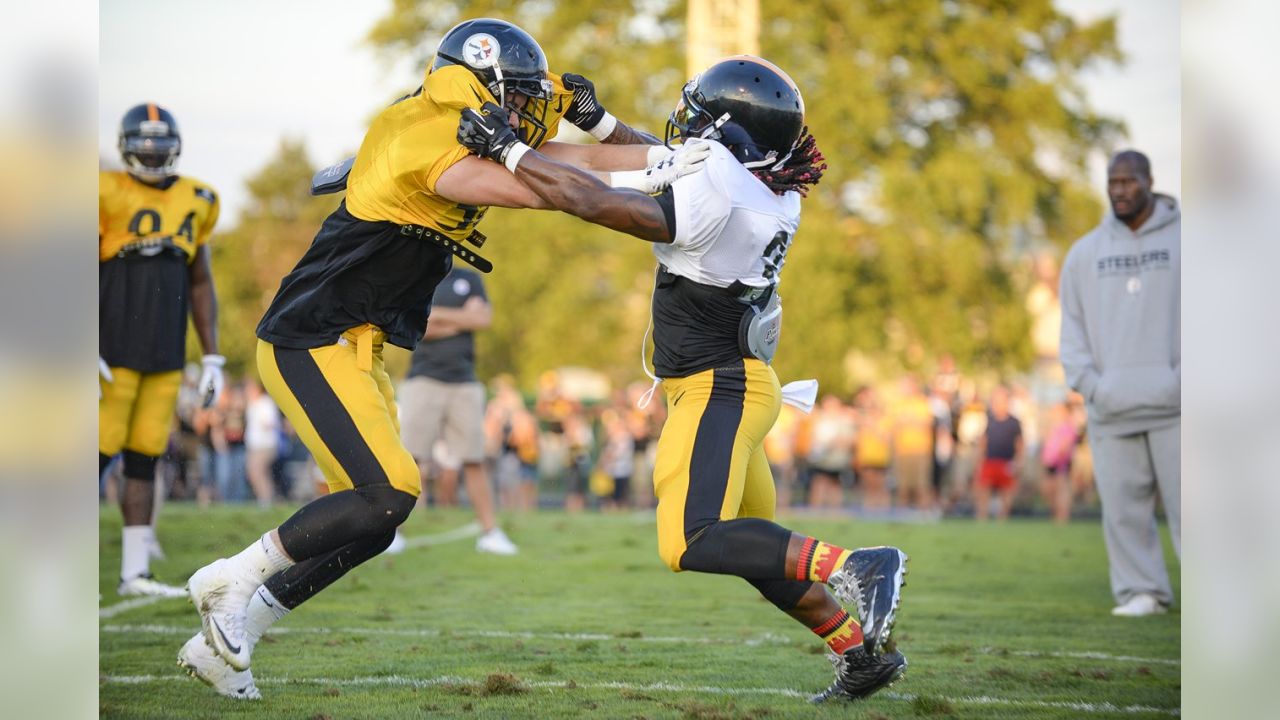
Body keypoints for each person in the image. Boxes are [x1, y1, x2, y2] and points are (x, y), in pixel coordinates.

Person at [178, 17, 704, 700]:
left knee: (375, 519)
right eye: (512, 97)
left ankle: (223, 642)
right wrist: (645, 177)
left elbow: (584, 164)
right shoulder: (428, 131)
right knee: (386, 493)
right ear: (479, 83)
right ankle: (232, 579)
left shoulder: (472, 123)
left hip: (357, 349)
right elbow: (554, 189)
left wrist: (633, 142)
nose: (523, 113)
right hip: (308, 340)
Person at [457, 54, 908, 702]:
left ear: (730, 135)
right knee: (755, 553)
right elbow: (674, 164)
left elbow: (591, 200)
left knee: (693, 539)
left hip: (716, 387)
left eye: (702, 116)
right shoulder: (766, 183)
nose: (687, 125)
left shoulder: (723, 189)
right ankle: (857, 655)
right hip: (742, 385)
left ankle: (858, 565)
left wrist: (508, 151)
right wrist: (603, 123)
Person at [99, 102, 224, 598]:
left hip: (165, 353)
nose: (151, 158)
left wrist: (212, 354)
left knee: (144, 458)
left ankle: (134, 573)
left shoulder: (199, 198)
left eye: (159, 149)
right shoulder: (102, 192)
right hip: (110, 353)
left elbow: (201, 281)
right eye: (143, 149)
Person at [1059, 150, 1180, 617]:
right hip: (1111, 406)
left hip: (1181, 407)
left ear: (1150, 180)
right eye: (1112, 181)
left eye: (1129, 181)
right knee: (1124, 510)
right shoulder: (1085, 252)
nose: (1119, 190)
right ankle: (1141, 592)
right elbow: (1071, 328)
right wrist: (1091, 384)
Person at [397, 265, 517, 554]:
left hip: (465, 382)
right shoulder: (417, 274)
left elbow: (483, 318)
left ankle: (490, 533)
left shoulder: (469, 277)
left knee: (474, 459)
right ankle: (390, 533)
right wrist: (461, 319)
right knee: (409, 460)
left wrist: (437, 314)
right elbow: (412, 327)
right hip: (422, 381)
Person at [973, 385, 1023, 521]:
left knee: (1006, 493)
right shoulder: (989, 419)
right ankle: (981, 518)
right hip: (990, 461)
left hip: (1007, 462)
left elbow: (1020, 444)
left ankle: (1003, 519)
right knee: (983, 490)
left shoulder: (1014, 422)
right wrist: (979, 462)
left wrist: (1018, 462)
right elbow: (983, 442)